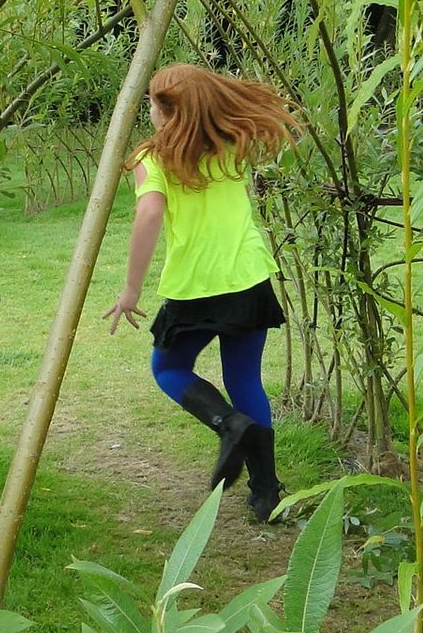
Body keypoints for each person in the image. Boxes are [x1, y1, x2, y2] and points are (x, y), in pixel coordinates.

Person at [104, 64, 299, 524]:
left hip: (195, 288)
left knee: (169, 367)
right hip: (249, 279)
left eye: (152, 103)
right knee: (245, 380)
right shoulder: (232, 145)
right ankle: (266, 493)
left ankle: (228, 424)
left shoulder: (152, 158)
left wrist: (131, 289)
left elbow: (149, 215)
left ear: (164, 111)